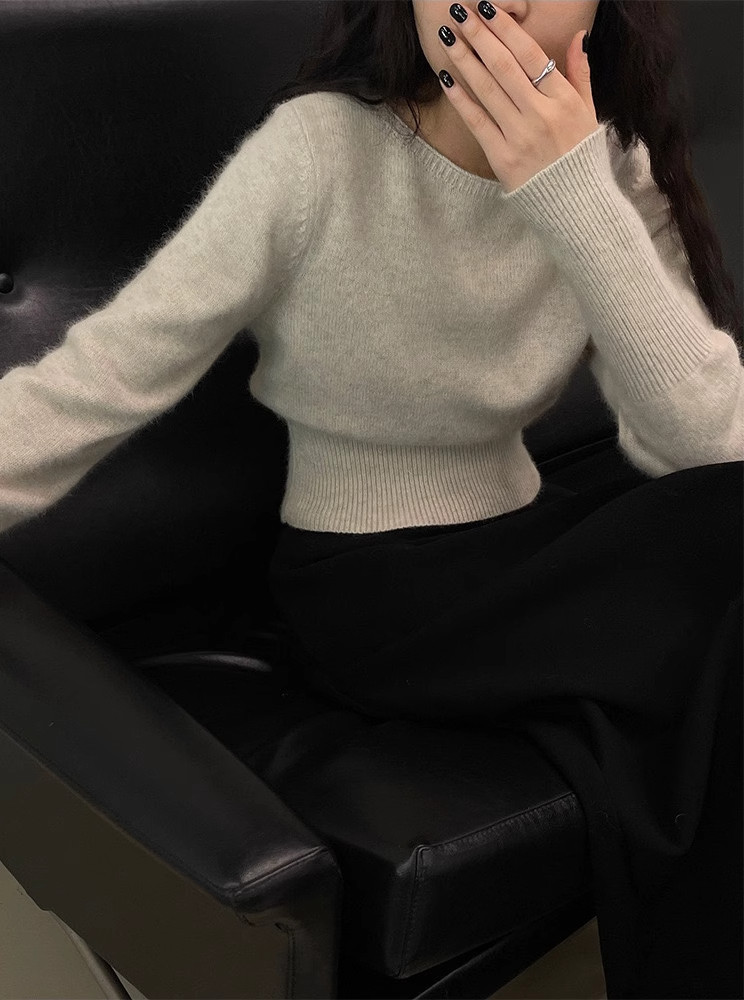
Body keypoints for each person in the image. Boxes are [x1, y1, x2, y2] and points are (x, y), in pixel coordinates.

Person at [2, 1, 742, 996]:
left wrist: (574, 188)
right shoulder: (320, 153)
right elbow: (115, 368)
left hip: (524, 544)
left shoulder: (605, 166)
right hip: (376, 589)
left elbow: (709, 442)